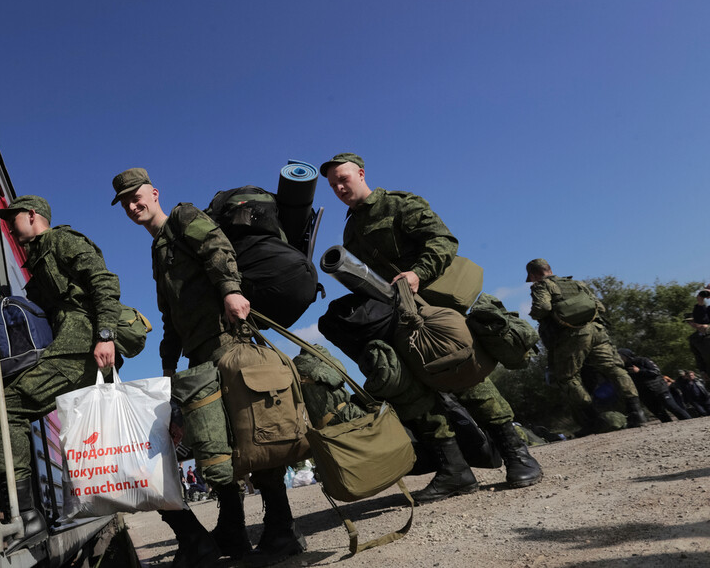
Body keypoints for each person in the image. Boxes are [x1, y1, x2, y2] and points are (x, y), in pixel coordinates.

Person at [320, 152, 542, 503]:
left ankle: (518, 454)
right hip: (393, 314)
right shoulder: (350, 229)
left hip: (433, 303)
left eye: (343, 179)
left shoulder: (397, 205)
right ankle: (454, 469)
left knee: (462, 374)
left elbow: (444, 241)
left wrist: (416, 273)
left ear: (361, 173)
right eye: (333, 186)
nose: (339, 188)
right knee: (410, 387)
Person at [113, 167, 304, 566]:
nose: (134, 205)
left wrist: (231, 291)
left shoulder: (183, 216)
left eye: (138, 195)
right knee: (216, 445)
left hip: (227, 342)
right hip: (199, 356)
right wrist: (167, 371)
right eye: (126, 202)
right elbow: (170, 316)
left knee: (252, 434)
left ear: (154, 192)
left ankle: (281, 531)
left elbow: (218, 247)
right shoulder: (158, 250)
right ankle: (232, 529)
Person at [0, 195, 122, 550]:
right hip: (69, 347)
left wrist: (105, 335)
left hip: (81, 349)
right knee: (11, 405)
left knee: (9, 408)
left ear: (32, 215)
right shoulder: (38, 259)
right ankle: (190, 532)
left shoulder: (63, 241)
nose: (8, 224)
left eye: (12, 218)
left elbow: (104, 282)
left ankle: (26, 516)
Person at [525, 258, 648, 433]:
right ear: (549, 269)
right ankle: (637, 413)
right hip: (597, 330)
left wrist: (535, 314)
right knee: (614, 369)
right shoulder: (576, 283)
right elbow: (601, 307)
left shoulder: (541, 286)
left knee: (567, 378)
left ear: (533, 274)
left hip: (572, 335)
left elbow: (542, 307)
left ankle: (592, 420)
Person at [616, 348, 690, 422]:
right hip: (644, 393)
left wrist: (639, 371)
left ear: (626, 356)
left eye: (620, 356)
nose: (619, 358)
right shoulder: (622, 368)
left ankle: (688, 421)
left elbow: (655, 371)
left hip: (659, 389)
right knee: (659, 413)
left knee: (672, 407)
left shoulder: (642, 360)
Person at [686, 288, 710, 377]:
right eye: (689, 322)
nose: (691, 323)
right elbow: (698, 357)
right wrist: (700, 301)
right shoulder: (694, 338)